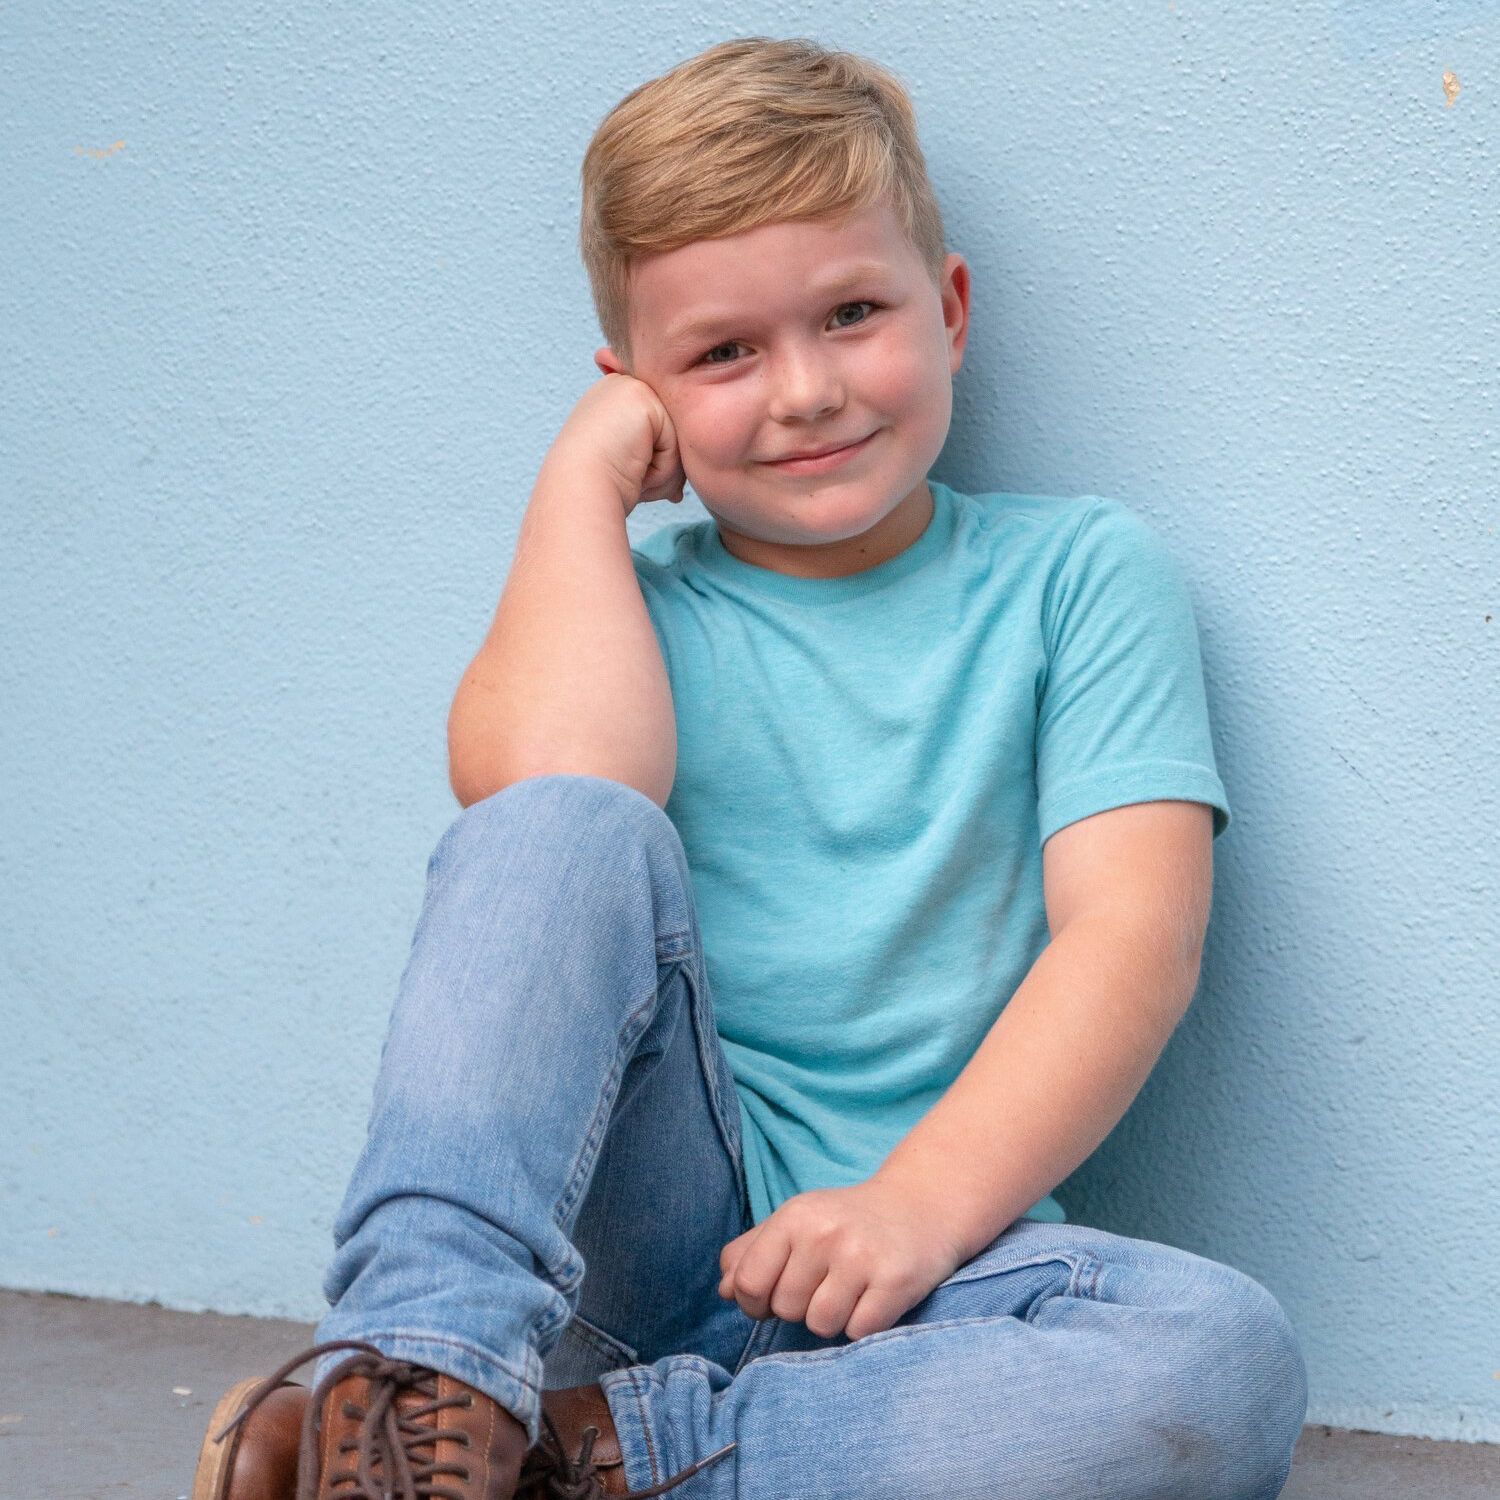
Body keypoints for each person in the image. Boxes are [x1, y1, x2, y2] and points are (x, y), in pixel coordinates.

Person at [191, 34, 1308, 1500]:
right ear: (637, 390)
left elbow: (1133, 936)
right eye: (723, 353)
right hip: (631, 1257)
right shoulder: (626, 620)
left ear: (951, 308)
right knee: (569, 824)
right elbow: (542, 809)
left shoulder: (1080, 578)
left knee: (1222, 1358)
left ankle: (576, 1468)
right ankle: (415, 1372)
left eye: (852, 313)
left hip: (935, 1273)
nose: (804, 391)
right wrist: (582, 488)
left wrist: (916, 1209)